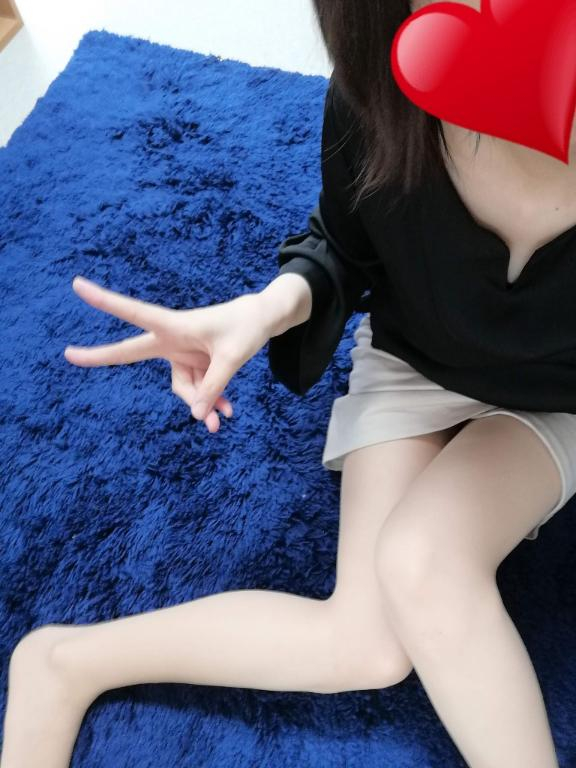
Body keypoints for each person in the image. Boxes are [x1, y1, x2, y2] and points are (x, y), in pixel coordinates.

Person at [1, 1, 574, 766]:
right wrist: (269, 307)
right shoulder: (388, 81)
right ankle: (63, 660)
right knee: (366, 645)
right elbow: (344, 242)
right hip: (415, 359)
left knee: (425, 558)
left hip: (553, 394)